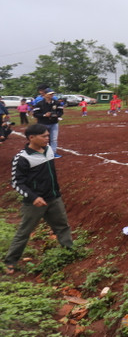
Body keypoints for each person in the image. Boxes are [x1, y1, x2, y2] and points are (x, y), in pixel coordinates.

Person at [4, 123, 74, 274]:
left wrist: (55, 192)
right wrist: (34, 197)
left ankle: (69, 253)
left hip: (54, 198)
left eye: (48, 135)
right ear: (31, 138)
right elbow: (17, 183)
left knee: (62, 226)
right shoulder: (22, 158)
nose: (47, 138)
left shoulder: (48, 150)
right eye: (43, 136)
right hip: (34, 203)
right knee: (24, 231)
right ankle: (10, 261)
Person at [31, 86, 63, 156]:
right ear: (45, 94)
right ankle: (42, 152)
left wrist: (57, 115)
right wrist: (44, 115)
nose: (52, 95)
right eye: (50, 94)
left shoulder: (56, 103)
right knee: (43, 139)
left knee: (53, 139)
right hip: (43, 124)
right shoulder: (39, 103)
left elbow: (60, 111)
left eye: (52, 94)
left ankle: (53, 153)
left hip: (54, 123)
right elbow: (35, 114)